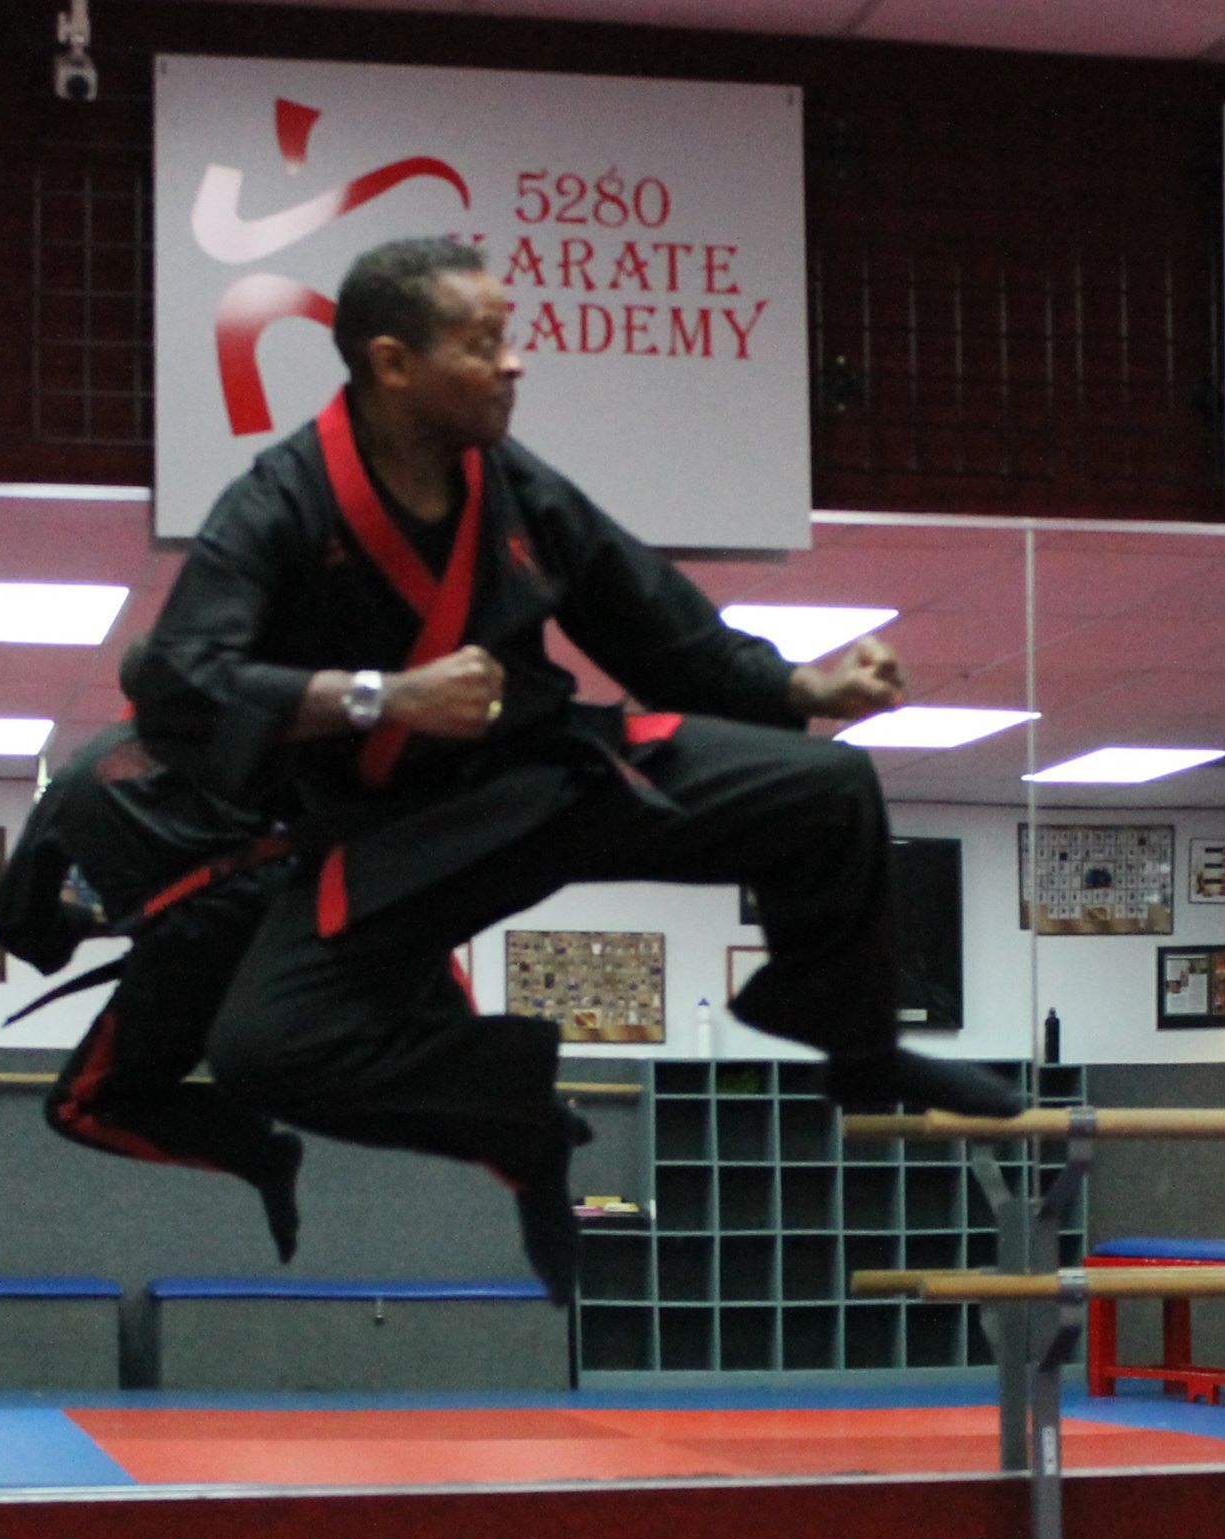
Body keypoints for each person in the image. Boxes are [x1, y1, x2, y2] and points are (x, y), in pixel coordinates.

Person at [129, 237, 1020, 1302]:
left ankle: (850, 1044)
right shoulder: (279, 502)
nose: (513, 365)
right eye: (483, 343)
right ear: (390, 363)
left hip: (550, 780)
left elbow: (657, 626)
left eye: (509, 340)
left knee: (825, 788)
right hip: (391, 837)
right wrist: (381, 694)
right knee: (261, 1050)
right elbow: (179, 680)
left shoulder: (514, 487)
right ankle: (519, 1115)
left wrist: (801, 691)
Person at [0, 651, 304, 1261]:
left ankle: (255, 1149)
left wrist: (73, 929)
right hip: (295, 930)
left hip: (192, 953)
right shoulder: (258, 739)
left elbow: (19, 923)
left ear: (128, 695)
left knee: (79, 1107)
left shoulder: (79, 777)